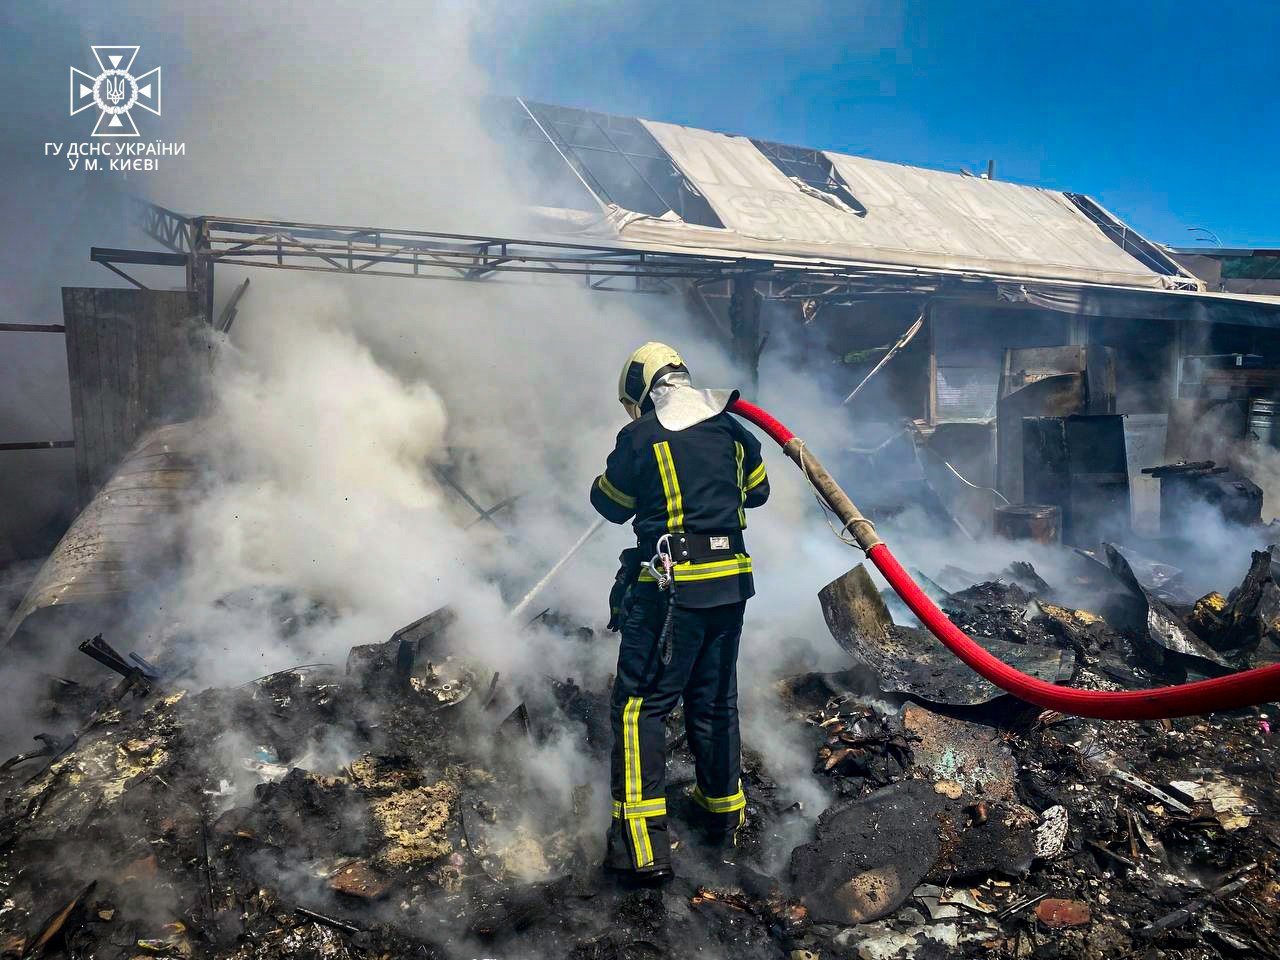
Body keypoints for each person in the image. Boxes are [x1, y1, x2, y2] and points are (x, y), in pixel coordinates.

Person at [589, 342, 770, 884]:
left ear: (642, 391)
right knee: (715, 701)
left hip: (670, 593)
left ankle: (641, 849)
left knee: (639, 708)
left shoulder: (640, 435)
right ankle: (722, 816)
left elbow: (609, 503)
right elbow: (757, 495)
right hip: (730, 586)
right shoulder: (734, 428)